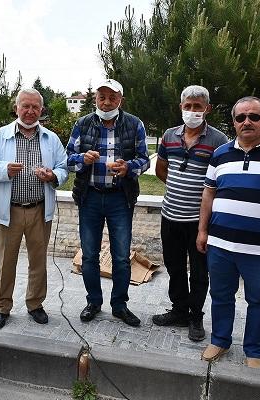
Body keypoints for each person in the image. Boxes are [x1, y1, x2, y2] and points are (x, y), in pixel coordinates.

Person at [196, 96, 260, 368]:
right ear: (233, 122)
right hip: (221, 245)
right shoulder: (220, 154)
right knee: (220, 295)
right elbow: (208, 194)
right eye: (241, 117)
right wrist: (202, 231)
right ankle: (220, 340)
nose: (247, 122)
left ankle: (255, 352)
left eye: (254, 116)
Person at [0, 88, 68, 330]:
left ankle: (35, 304)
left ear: (41, 110)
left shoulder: (50, 138)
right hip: (10, 210)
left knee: (38, 261)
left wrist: (53, 175)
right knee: (5, 261)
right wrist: (5, 169)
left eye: (35, 107)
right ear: (16, 107)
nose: (30, 111)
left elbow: (64, 167)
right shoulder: (0, 136)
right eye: (25, 106)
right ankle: (1, 306)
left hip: (40, 209)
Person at [66, 78, 150, 327]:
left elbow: (145, 159)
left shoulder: (134, 124)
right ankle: (93, 301)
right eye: (102, 97)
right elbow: (69, 159)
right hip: (90, 196)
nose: (106, 102)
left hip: (119, 197)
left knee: (121, 256)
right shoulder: (82, 124)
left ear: (120, 100)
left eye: (112, 97)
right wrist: (84, 158)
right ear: (95, 99)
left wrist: (128, 167)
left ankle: (119, 305)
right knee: (90, 255)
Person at [152, 85, 228, 342]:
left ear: (207, 109)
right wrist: (179, 188)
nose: (192, 111)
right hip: (170, 215)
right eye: (188, 106)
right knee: (174, 267)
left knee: (199, 271)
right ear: (181, 107)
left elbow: (221, 180)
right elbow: (162, 169)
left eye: (198, 107)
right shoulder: (169, 135)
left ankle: (196, 315)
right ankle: (179, 310)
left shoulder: (218, 141)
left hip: (199, 221)